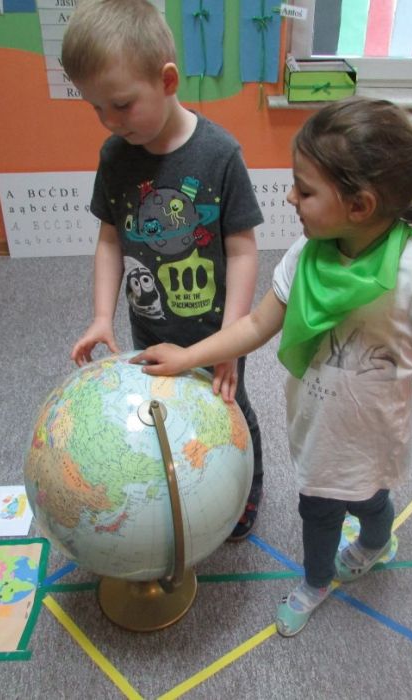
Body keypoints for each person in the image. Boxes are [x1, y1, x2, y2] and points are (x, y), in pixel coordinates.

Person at [133, 96, 412, 637]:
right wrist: (189, 357)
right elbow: (255, 325)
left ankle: (375, 543)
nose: (290, 197)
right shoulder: (305, 255)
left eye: (305, 190)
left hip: (374, 435)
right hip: (317, 429)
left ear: (359, 205)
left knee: (372, 502)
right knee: (318, 511)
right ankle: (318, 580)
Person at [61, 0, 265, 540]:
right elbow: (110, 239)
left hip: (215, 332)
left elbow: (244, 251)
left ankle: (244, 493)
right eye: (96, 108)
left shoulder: (220, 154)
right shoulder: (115, 156)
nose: (110, 121)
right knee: (164, 410)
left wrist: (232, 338)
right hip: (150, 325)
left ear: (167, 80)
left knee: (230, 413)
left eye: (122, 105)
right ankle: (181, 491)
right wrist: (101, 316)